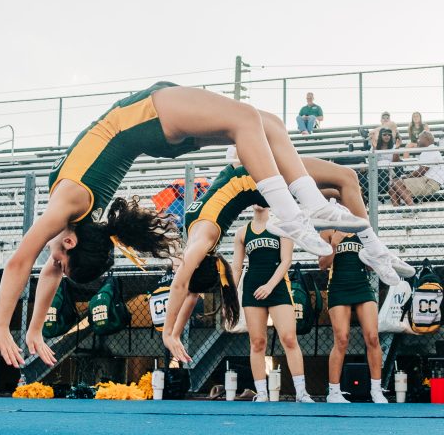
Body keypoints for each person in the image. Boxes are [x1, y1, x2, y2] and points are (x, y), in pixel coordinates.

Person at [0, 81, 369, 368]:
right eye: (58, 260)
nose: (51, 261)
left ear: (69, 244)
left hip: (154, 123)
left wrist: (13, 327)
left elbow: (26, 264)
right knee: (249, 120)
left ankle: (310, 204)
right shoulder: (70, 209)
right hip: (151, 116)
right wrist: (25, 328)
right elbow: (38, 267)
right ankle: (298, 209)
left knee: (265, 122)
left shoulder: (68, 209)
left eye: (56, 259)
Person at [161, 150, 415, 363]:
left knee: (340, 190)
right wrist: (171, 332)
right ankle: (371, 248)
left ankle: (367, 245)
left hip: (253, 179)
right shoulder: (197, 237)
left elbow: (186, 288)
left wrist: (169, 333)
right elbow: (187, 289)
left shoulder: (201, 243)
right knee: (346, 179)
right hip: (258, 179)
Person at [231, 206, 312, 402]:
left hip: (277, 288)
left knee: (289, 338)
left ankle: (301, 392)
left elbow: (286, 261)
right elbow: (236, 266)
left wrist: (269, 285)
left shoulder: (282, 227)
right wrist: (230, 294)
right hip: (252, 289)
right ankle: (262, 392)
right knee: (257, 342)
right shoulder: (242, 232)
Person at [320, 230, 388, 404]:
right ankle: (334, 392)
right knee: (341, 339)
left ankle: (376, 389)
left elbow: (372, 266)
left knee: (373, 337)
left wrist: (373, 254)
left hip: (362, 286)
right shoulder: (328, 230)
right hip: (338, 287)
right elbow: (322, 265)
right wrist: (333, 244)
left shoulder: (363, 229)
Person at [389, 131, 444, 206]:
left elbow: (421, 171)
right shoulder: (429, 150)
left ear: (426, 139)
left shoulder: (430, 150)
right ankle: (397, 212)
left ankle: (412, 209)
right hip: (427, 180)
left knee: (396, 183)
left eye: (419, 139)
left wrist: (406, 177)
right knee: (392, 185)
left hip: (429, 182)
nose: (417, 141)